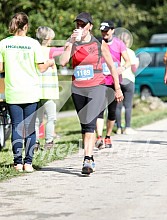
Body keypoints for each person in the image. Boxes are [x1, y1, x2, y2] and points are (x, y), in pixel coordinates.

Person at [60, 12, 123, 175]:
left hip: (97, 87)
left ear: (90, 27)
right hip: (78, 88)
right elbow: (62, 61)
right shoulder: (72, 42)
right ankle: (90, 157)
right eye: (78, 24)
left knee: (89, 123)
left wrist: (117, 88)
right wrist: (71, 42)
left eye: (83, 25)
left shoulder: (99, 44)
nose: (80, 27)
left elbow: (112, 67)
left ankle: (87, 158)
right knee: (84, 125)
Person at [0, 12, 55, 172]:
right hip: (31, 92)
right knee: (30, 129)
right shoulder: (33, 44)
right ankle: (28, 163)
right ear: (26, 26)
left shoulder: (3, 43)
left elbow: (0, 68)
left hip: (13, 92)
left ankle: (17, 163)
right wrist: (50, 63)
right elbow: (41, 68)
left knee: (17, 127)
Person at [96, 21, 131, 149]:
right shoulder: (97, 43)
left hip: (114, 82)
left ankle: (108, 137)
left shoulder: (119, 44)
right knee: (99, 110)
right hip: (100, 81)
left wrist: (122, 68)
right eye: (102, 31)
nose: (104, 33)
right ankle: (99, 137)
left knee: (112, 111)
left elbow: (128, 61)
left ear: (112, 30)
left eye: (106, 30)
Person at [35, 26, 64, 150]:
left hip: (36, 89)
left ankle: (35, 143)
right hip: (48, 90)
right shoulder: (50, 51)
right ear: (47, 39)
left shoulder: (33, 50)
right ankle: (49, 141)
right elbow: (64, 49)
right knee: (51, 117)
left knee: (37, 120)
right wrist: (73, 41)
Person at [115, 31, 139, 134]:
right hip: (129, 80)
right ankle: (128, 128)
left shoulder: (115, 52)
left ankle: (119, 128)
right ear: (128, 41)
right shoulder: (130, 52)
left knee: (118, 106)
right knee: (128, 105)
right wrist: (137, 63)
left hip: (118, 80)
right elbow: (134, 69)